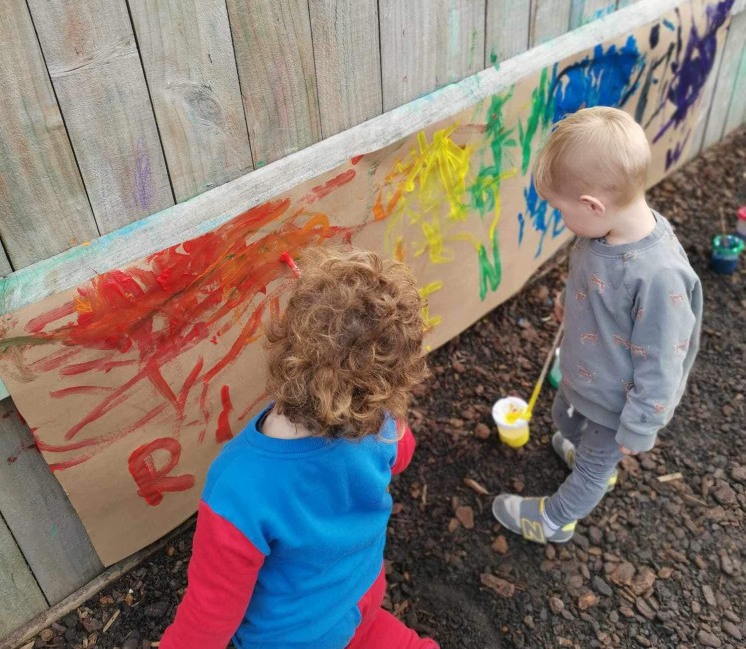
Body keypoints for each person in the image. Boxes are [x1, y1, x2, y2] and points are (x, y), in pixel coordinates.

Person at [160, 247, 438, 648]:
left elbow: (207, 617)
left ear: (285, 345)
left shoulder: (238, 487)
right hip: (362, 601)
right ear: (385, 387)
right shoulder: (383, 427)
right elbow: (403, 454)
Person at [493, 107, 702, 544]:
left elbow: (663, 359)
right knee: (561, 416)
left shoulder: (660, 276)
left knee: (594, 466)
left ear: (592, 205)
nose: (561, 221)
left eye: (561, 211)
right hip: (584, 371)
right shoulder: (601, 232)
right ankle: (580, 449)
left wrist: (641, 425)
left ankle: (555, 521)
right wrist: (570, 304)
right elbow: (596, 286)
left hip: (617, 401)